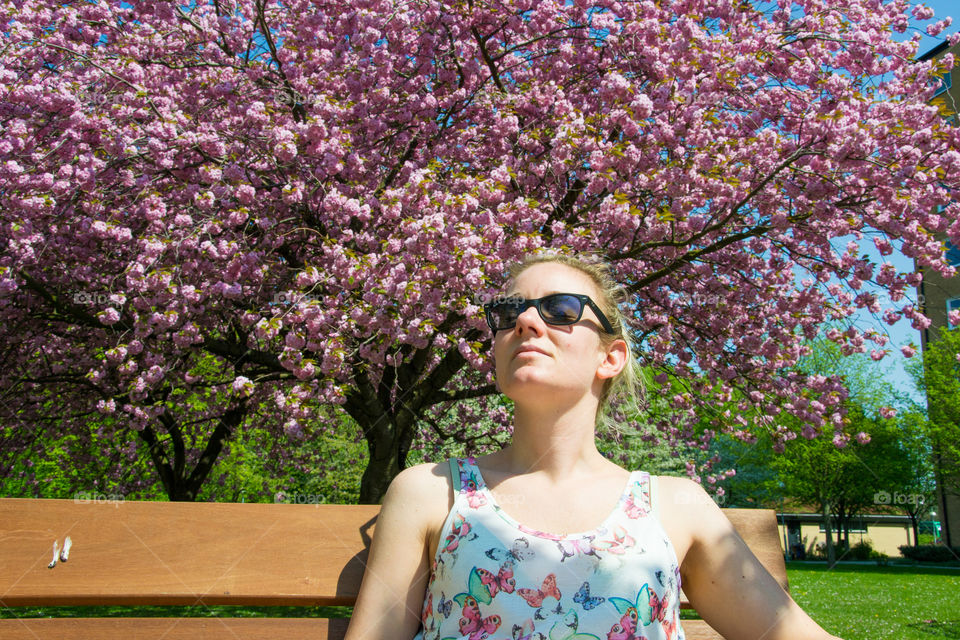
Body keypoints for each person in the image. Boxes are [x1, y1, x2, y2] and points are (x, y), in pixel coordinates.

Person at [345, 253, 842, 640]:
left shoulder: (676, 505)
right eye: (507, 312)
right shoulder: (431, 493)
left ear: (611, 357)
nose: (525, 322)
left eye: (560, 309)